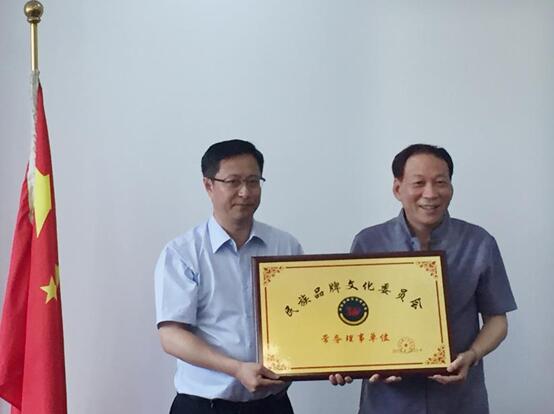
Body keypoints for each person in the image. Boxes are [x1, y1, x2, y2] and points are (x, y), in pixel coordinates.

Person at [330, 144, 517, 414]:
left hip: (459, 401)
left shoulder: (479, 242)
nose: (430, 193)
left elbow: (497, 319)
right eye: (419, 183)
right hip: (388, 403)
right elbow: (351, 316)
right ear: (398, 188)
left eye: (440, 182)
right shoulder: (369, 242)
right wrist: (345, 362)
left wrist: (472, 355)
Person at [155, 139, 303, 414]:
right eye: (233, 182)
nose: (245, 192)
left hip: (272, 405)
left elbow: (303, 318)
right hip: (204, 406)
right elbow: (171, 335)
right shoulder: (183, 253)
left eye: (253, 181)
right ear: (208, 185)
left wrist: (328, 363)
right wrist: (236, 369)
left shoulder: (285, 247)